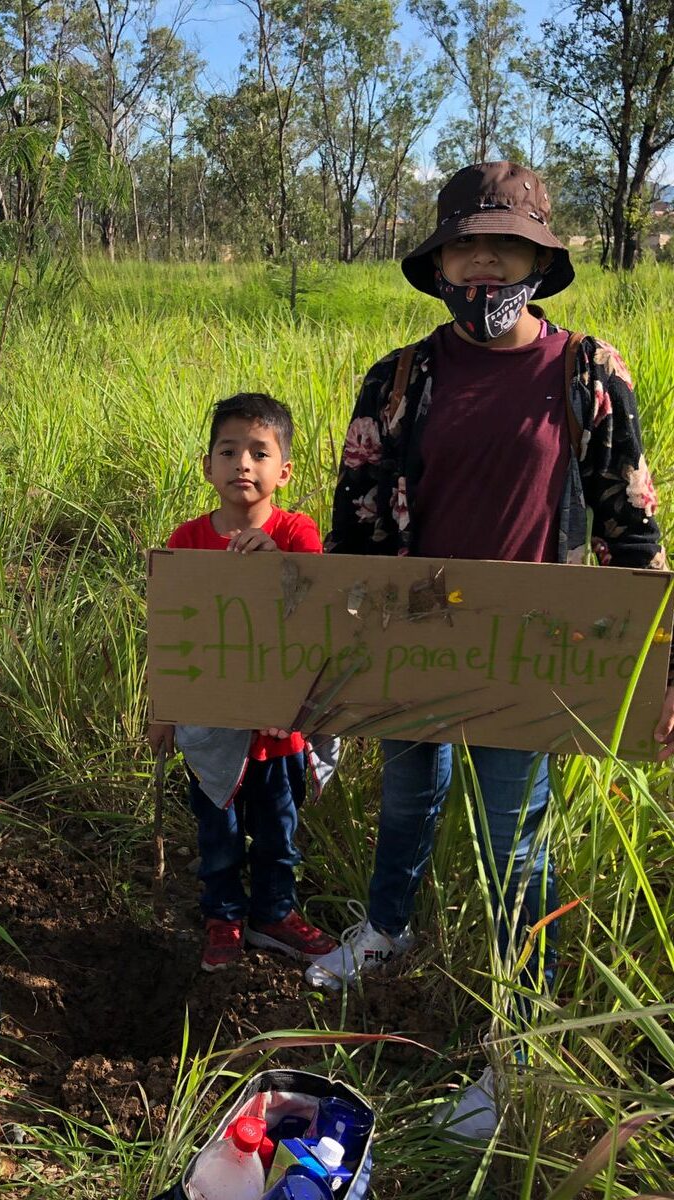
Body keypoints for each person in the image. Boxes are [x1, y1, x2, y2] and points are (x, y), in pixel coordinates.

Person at [304, 161, 670, 1135]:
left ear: (538, 262)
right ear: (440, 262)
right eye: (467, 245)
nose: (483, 263)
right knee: (407, 796)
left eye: (502, 245)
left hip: (530, 651)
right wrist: (334, 656)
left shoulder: (587, 372)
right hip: (415, 640)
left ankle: (520, 1041)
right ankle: (387, 931)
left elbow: (631, 528)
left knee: (518, 836)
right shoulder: (401, 379)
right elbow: (359, 532)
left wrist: (661, 663)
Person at [148, 393, 339, 972]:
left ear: (284, 471)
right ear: (207, 466)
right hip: (211, 724)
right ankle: (223, 916)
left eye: (259, 452)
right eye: (228, 451)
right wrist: (163, 710)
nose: (243, 465)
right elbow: (170, 631)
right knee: (219, 829)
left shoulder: (298, 534)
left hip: (279, 727)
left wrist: (275, 560)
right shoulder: (188, 542)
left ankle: (275, 914)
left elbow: (317, 615)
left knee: (280, 827)